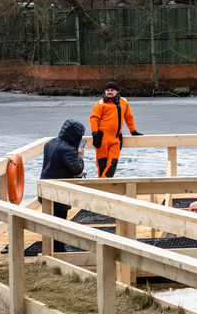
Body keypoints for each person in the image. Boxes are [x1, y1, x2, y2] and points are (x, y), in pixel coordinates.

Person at [40, 119, 86, 253]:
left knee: (50, 222)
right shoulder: (68, 150)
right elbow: (77, 169)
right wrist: (80, 157)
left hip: (46, 188)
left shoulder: (50, 143)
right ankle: (59, 251)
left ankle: (51, 249)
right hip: (59, 192)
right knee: (60, 223)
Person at [89, 81, 140, 178]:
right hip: (102, 138)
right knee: (102, 164)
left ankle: (104, 183)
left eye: (112, 90)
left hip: (116, 139)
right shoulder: (100, 104)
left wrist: (133, 131)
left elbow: (128, 117)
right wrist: (94, 133)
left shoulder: (123, 102)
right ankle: (102, 184)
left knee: (112, 165)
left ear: (117, 91)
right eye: (107, 90)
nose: (109, 92)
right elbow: (94, 119)